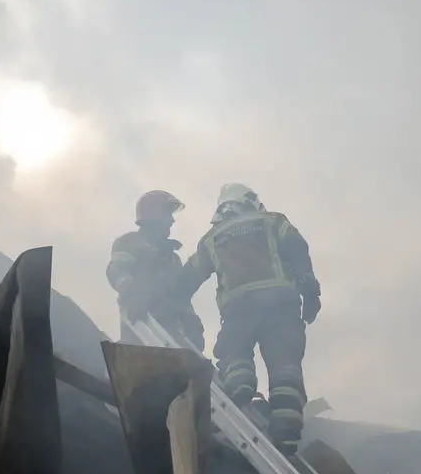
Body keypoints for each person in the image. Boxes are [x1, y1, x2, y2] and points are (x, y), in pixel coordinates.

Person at [176, 183, 321, 454]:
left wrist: (160, 298)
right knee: (285, 368)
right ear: (250, 201)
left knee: (234, 351)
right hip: (281, 306)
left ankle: (240, 383)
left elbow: (189, 276)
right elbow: (298, 249)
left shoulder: (213, 237)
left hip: (238, 309)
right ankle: (287, 432)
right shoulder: (273, 221)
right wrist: (309, 288)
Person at [105, 190, 205, 351]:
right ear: (152, 214)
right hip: (143, 330)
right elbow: (117, 270)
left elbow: (180, 297)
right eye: (167, 214)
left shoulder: (173, 259)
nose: (172, 221)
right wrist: (133, 294)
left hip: (173, 337)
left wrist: (192, 322)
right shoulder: (130, 242)